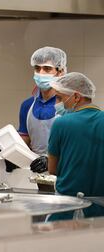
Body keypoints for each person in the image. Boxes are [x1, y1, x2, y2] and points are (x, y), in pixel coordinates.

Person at [47, 72, 104, 220]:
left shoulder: (61, 123)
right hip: (100, 213)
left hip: (67, 209)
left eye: (59, 97)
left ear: (76, 97)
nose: (56, 104)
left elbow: (52, 169)